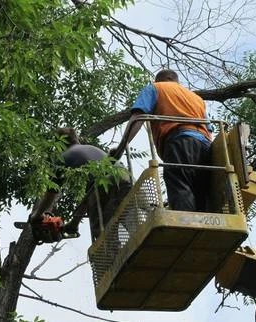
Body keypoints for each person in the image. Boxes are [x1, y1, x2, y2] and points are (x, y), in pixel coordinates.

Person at [116, 69, 212, 212]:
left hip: (180, 141)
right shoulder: (197, 99)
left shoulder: (156, 88)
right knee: (201, 191)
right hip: (205, 145)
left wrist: (121, 149)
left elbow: (138, 117)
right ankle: (206, 227)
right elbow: (209, 129)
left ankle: (185, 228)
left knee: (179, 184)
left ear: (160, 79)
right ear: (176, 81)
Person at [30, 127, 132, 243]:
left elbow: (51, 194)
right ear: (76, 138)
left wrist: (37, 214)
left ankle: (114, 259)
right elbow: (89, 196)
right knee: (133, 221)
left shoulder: (64, 157)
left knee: (104, 236)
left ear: (60, 143)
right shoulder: (92, 149)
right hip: (126, 177)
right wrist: (75, 222)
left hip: (104, 185)